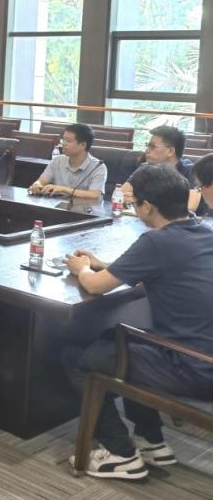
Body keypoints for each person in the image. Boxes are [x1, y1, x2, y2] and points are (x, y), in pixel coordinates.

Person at [64, 163, 213, 480]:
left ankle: (121, 454)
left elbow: (95, 286)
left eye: (134, 203)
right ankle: (152, 440)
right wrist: (105, 265)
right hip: (202, 354)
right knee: (125, 340)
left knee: (79, 358)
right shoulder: (204, 232)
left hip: (193, 367)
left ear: (148, 206)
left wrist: (82, 268)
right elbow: (168, 272)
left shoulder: (157, 242)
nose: (133, 208)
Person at [28, 123, 106, 201]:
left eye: (68, 141)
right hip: (57, 206)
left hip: (82, 208)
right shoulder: (57, 161)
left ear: (83, 145)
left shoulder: (98, 167)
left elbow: (95, 194)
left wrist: (63, 189)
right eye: (63, 140)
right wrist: (37, 185)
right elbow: (41, 181)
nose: (63, 144)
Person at [123, 125, 195, 209]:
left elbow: (190, 207)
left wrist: (139, 201)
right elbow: (121, 195)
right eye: (147, 145)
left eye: (152, 147)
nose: (147, 150)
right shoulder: (145, 168)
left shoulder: (190, 171)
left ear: (170, 151)